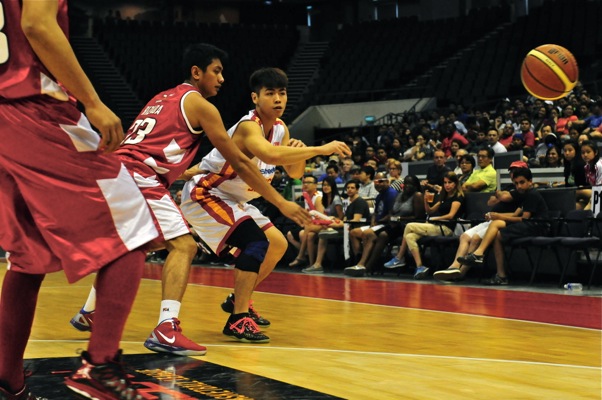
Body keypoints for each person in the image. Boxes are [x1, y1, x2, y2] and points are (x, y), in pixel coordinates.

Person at [69, 44, 311, 358]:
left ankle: (90, 311)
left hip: (120, 172)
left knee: (139, 246)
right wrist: (282, 203)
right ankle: (166, 328)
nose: (222, 78)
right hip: (144, 177)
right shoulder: (202, 106)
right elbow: (239, 161)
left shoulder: (161, 97)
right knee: (185, 246)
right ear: (196, 72)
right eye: (217, 71)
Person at [0, 1, 160, 399]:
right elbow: (37, 24)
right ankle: (100, 365)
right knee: (134, 226)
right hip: (33, 107)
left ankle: (6, 380)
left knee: (29, 256)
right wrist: (92, 101)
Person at [179, 67, 350, 342]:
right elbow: (269, 155)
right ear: (255, 98)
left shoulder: (281, 128)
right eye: (270, 93)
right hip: (207, 194)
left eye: (281, 93)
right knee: (256, 241)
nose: (278, 98)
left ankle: (239, 301)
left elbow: (294, 173)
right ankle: (238, 318)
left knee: (278, 244)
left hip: (235, 199)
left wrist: (297, 153)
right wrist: (320, 149)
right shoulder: (249, 127)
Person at [457, 168, 549, 285]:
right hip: (528, 224)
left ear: (530, 181)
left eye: (522, 182)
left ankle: (479, 253)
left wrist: (500, 217)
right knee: (497, 235)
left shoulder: (532, 194)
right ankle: (501, 276)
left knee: (497, 223)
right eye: (516, 183)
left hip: (538, 226)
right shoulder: (522, 194)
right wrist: (496, 215)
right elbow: (516, 214)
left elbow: (524, 219)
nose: (519, 186)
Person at [434, 169, 528, 282]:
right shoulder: (510, 188)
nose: (514, 177)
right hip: (491, 219)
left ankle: (460, 273)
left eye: (519, 179)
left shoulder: (521, 193)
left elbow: (506, 201)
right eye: (512, 173)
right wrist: (499, 195)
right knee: (464, 236)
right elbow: (491, 201)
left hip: (501, 222)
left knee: (475, 238)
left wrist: (499, 201)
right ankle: (454, 267)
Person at [385, 172, 465, 279]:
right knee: (409, 236)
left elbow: (451, 216)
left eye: (450, 182)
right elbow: (430, 211)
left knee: (409, 226)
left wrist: (434, 219)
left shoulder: (457, 198)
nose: (447, 185)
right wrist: (426, 201)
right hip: (436, 226)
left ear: (455, 183)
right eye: (445, 182)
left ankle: (399, 257)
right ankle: (420, 266)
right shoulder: (443, 197)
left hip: (446, 228)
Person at [302, 179, 371, 273]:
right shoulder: (349, 202)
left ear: (357, 190)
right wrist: (335, 219)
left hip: (354, 227)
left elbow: (356, 220)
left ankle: (304, 257)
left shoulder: (359, 202)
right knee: (323, 234)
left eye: (352, 188)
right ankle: (316, 264)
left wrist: (338, 221)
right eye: (348, 188)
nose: (349, 190)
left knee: (312, 227)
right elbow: (345, 217)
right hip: (346, 226)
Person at [344, 172, 398, 277]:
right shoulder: (379, 196)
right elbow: (375, 213)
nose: (378, 184)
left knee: (368, 233)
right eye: (376, 182)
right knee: (354, 232)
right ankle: (358, 257)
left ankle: (362, 263)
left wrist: (378, 220)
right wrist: (373, 220)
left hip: (387, 225)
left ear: (387, 181)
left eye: (381, 181)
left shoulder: (391, 194)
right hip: (377, 224)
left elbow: (391, 214)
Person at [296, 176, 344, 270]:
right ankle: (312, 263)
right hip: (325, 222)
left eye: (328, 185)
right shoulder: (325, 198)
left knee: (309, 227)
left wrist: (333, 218)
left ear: (333, 186)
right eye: (324, 185)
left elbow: (341, 216)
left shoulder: (336, 199)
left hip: (335, 223)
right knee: (309, 235)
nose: (325, 187)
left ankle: (301, 255)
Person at [287, 174, 324, 267]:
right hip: (310, 224)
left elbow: (320, 216)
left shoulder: (318, 197)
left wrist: (308, 223)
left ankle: (303, 257)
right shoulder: (306, 196)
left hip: (321, 224)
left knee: (303, 233)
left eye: (309, 182)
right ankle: (305, 255)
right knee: (289, 234)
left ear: (315, 185)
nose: (306, 184)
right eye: (304, 182)